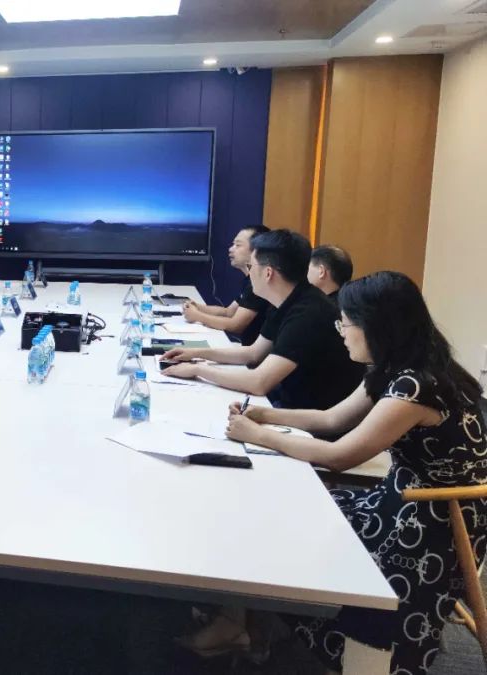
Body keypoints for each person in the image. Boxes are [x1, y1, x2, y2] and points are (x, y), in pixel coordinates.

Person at [189, 271, 487, 675]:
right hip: (403, 498)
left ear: (376, 326)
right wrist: (265, 415)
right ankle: (245, 623)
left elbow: (339, 456)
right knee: (277, 506)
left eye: (344, 323)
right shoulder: (399, 366)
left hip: (433, 521)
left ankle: (249, 624)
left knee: (287, 522)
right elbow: (330, 419)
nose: (341, 332)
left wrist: (258, 435)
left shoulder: (415, 386)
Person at [162, 230, 363, 410]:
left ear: (268, 273)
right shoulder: (286, 300)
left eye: (251, 266)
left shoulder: (308, 313)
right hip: (288, 401)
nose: (249, 274)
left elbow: (259, 383)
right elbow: (253, 353)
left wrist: (198, 369)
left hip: (307, 417)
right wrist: (195, 353)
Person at [181, 225, 271, 345]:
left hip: (252, 352)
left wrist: (197, 316)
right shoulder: (249, 280)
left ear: (256, 251)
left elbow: (236, 325)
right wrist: (197, 307)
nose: (230, 249)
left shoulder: (258, 285)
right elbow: (228, 312)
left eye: (238, 245)